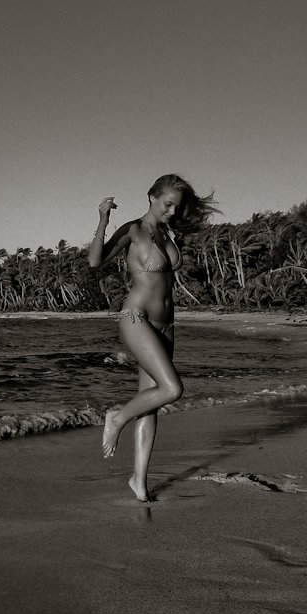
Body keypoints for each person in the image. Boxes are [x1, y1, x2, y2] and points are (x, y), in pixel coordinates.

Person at [87, 174, 218, 502]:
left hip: (166, 325)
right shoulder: (134, 229)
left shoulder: (169, 233)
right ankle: (117, 417)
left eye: (177, 207)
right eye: (167, 204)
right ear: (152, 197)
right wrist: (102, 221)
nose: (172, 211)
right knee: (172, 389)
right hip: (137, 318)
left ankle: (139, 481)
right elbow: (95, 261)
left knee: (152, 401)